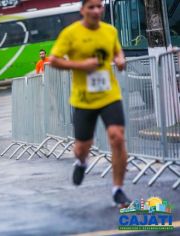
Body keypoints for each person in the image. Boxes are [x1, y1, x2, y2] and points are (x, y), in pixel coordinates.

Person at [50, 0, 131, 208]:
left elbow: (116, 51)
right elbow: (55, 60)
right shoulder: (70, 33)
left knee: (117, 136)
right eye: (91, 7)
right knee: (82, 147)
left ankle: (118, 190)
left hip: (109, 95)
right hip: (83, 99)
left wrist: (121, 59)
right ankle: (81, 161)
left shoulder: (110, 30)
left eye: (99, 6)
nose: (96, 10)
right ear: (82, 10)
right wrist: (81, 65)